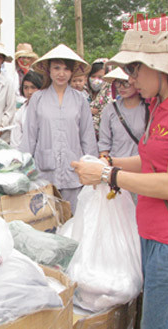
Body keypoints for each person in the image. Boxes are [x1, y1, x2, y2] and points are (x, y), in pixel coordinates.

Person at [71, 17, 168, 329]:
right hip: (153, 234)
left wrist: (107, 176)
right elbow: (153, 162)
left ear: (162, 66)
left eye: (135, 68)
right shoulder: (161, 103)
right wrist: (108, 164)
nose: (130, 77)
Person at [19, 44, 98, 214]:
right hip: (44, 171)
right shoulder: (38, 98)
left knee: (73, 220)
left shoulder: (80, 100)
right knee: (46, 221)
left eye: (66, 69)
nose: (61, 73)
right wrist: (23, 169)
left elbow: (87, 137)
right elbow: (30, 137)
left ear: (72, 72)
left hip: (73, 170)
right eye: (56, 68)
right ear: (49, 70)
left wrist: (92, 169)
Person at [98, 67, 147, 158]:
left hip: (140, 164)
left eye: (126, 83)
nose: (121, 87)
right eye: (118, 83)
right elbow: (104, 144)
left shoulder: (147, 109)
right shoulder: (109, 109)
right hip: (116, 163)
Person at [10, 70, 43, 149]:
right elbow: (15, 140)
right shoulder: (21, 111)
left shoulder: (47, 109)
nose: (29, 92)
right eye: (26, 88)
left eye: (33, 87)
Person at [88, 58, 113, 138]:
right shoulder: (83, 93)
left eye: (100, 77)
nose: (96, 80)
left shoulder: (110, 96)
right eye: (93, 76)